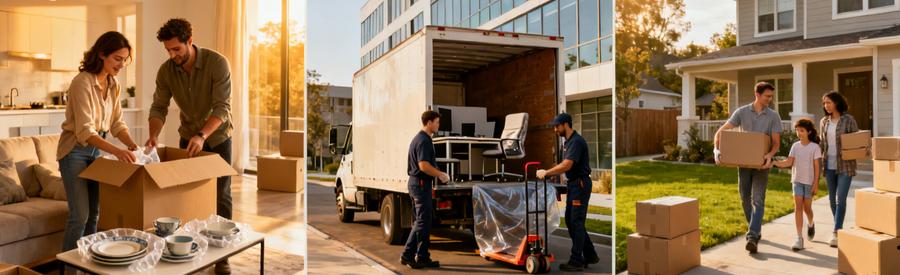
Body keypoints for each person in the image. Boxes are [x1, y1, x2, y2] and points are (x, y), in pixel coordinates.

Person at [146, 18, 234, 274]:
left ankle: (222, 256)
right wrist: (153, 134)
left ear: (189, 42)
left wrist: (202, 135)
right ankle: (187, 248)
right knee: (186, 195)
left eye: (177, 49)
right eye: (168, 50)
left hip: (217, 137)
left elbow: (222, 108)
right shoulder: (166, 71)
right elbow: (158, 107)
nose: (172, 55)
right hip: (187, 138)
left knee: (221, 195)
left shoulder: (217, 64)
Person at [58, 31, 138, 252]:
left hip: (96, 152)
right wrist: (118, 151)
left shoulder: (114, 85)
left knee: (95, 214)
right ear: (102, 54)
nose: (121, 65)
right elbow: (84, 131)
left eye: (124, 60)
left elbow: (117, 124)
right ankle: (70, 269)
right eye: (117, 59)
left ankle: (88, 265)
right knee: (80, 216)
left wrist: (132, 145)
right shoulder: (82, 82)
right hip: (74, 151)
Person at [713, 81, 782, 254]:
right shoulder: (742, 112)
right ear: (757, 94)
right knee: (744, 197)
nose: (770, 99)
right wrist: (716, 150)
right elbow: (721, 132)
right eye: (767, 96)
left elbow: (776, 143)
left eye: (771, 96)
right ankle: (756, 228)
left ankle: (752, 236)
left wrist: (769, 155)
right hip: (744, 163)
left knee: (758, 199)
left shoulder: (773, 116)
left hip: (762, 165)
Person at [536, 113, 599, 271]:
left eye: (557, 126)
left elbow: (566, 165)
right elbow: (565, 165)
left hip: (580, 185)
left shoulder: (576, 141)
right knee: (572, 222)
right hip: (574, 185)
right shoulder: (568, 143)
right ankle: (590, 254)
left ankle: (576, 260)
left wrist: (547, 172)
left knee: (576, 222)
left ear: (565, 124)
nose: (555, 129)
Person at [400, 110, 450, 269]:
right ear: (429, 123)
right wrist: (441, 175)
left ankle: (422, 256)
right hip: (420, 184)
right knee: (422, 222)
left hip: (418, 183)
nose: (438, 125)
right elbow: (423, 165)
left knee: (422, 222)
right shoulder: (423, 140)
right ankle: (408, 255)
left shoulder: (421, 138)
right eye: (436, 122)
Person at [773, 118, 821, 251]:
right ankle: (799, 238)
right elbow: (789, 162)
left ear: (809, 132)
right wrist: (774, 163)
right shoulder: (795, 146)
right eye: (797, 130)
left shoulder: (815, 147)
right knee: (798, 208)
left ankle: (811, 224)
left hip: (809, 183)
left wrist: (816, 183)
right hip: (797, 181)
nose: (799, 133)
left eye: (802, 131)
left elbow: (817, 167)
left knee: (807, 209)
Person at [819, 91, 859, 247]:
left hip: (845, 165)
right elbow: (822, 144)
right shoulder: (824, 122)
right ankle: (839, 228)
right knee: (831, 200)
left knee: (840, 199)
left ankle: (836, 231)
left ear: (837, 102)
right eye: (824, 103)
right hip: (828, 165)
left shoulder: (848, 120)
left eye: (828, 102)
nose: (826, 106)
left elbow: (855, 141)